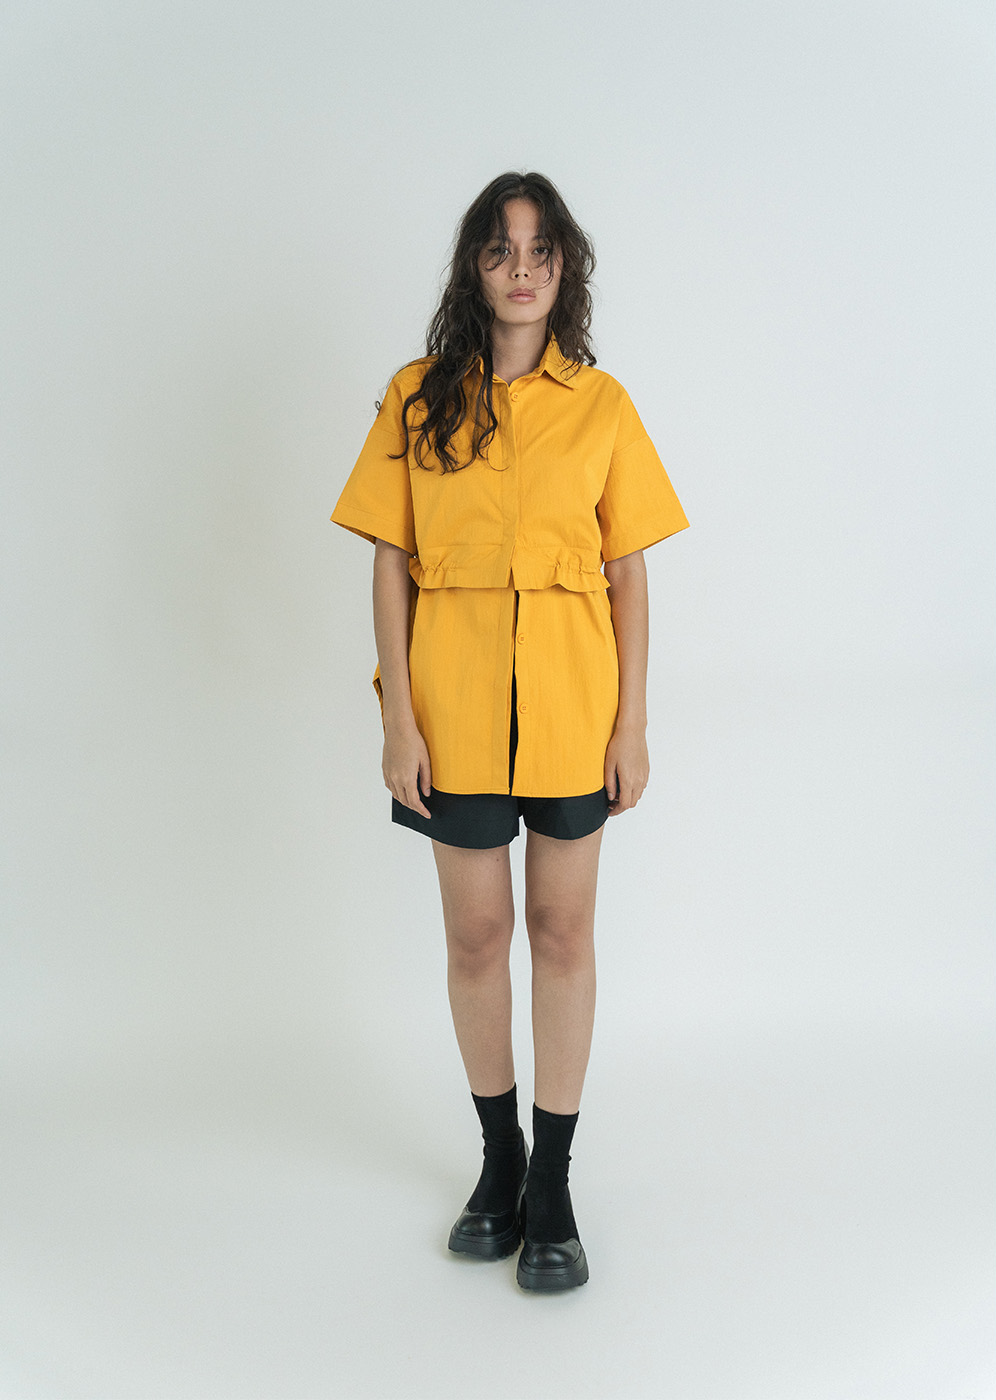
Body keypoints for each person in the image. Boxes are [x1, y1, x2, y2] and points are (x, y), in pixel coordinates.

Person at [330, 171, 689, 1292]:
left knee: (562, 932)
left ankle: (554, 1184)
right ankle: (500, 1160)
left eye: (539, 249)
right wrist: (398, 717)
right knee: (478, 938)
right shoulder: (416, 398)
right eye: (499, 249)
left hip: (575, 708)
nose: (521, 268)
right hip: (454, 712)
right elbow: (389, 562)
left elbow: (628, 574)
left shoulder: (604, 405)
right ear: (474, 270)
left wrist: (632, 723)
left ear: (563, 266)